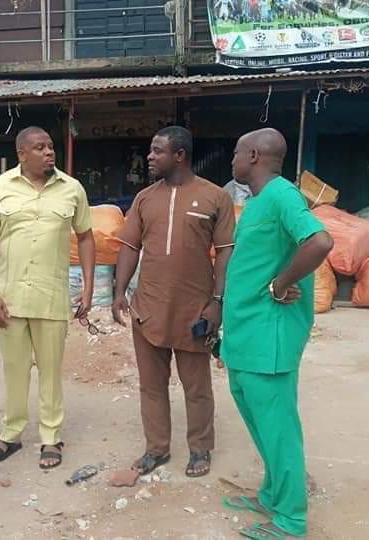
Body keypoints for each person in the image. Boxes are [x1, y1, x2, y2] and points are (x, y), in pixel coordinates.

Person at [220, 128, 333, 539]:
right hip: (246, 333)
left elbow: (320, 241)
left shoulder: (283, 195)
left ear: (253, 154)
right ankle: (271, 495)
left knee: (278, 426)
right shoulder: (259, 201)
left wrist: (283, 282)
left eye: (235, 152)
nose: (231, 161)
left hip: (269, 336)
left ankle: (291, 519)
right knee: (258, 419)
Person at [112, 126, 236, 478]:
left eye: (156, 151)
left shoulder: (215, 198)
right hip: (148, 308)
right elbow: (129, 247)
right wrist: (120, 293)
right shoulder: (144, 198)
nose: (149, 157)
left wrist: (217, 302)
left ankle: (200, 449)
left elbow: (225, 254)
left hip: (194, 310)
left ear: (179, 155)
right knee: (151, 385)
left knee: (197, 387)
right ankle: (157, 449)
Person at [0, 126, 95, 470]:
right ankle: (10, 435)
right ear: (21, 155)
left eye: (50, 146)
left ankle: (51, 438)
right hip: (8, 298)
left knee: (51, 370)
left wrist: (87, 287)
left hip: (51, 296)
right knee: (14, 369)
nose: (48, 152)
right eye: (39, 148)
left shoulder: (72, 189)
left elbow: (86, 237)